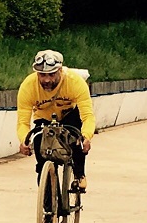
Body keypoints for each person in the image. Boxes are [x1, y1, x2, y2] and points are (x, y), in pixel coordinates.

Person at [16, 49, 95, 189]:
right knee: (41, 156)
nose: (47, 80)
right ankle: (48, 206)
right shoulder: (28, 86)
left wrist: (86, 136)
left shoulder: (74, 82)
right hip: (44, 119)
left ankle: (79, 175)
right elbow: (22, 121)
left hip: (69, 114)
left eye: (51, 74)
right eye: (42, 75)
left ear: (60, 71)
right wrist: (24, 141)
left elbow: (87, 116)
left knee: (77, 141)